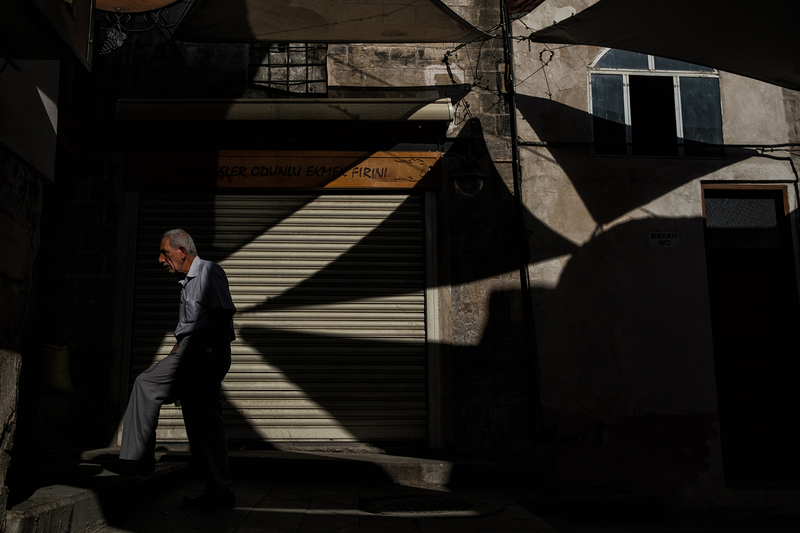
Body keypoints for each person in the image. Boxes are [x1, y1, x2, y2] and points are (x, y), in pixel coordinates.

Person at [105, 229, 237, 509]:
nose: (160, 259)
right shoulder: (186, 283)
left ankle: (136, 460)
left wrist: (206, 352)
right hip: (196, 351)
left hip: (205, 351)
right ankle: (219, 491)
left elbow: (222, 313)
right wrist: (180, 349)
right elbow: (192, 325)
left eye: (164, 252)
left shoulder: (209, 271)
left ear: (182, 251)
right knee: (204, 422)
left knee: (146, 384)